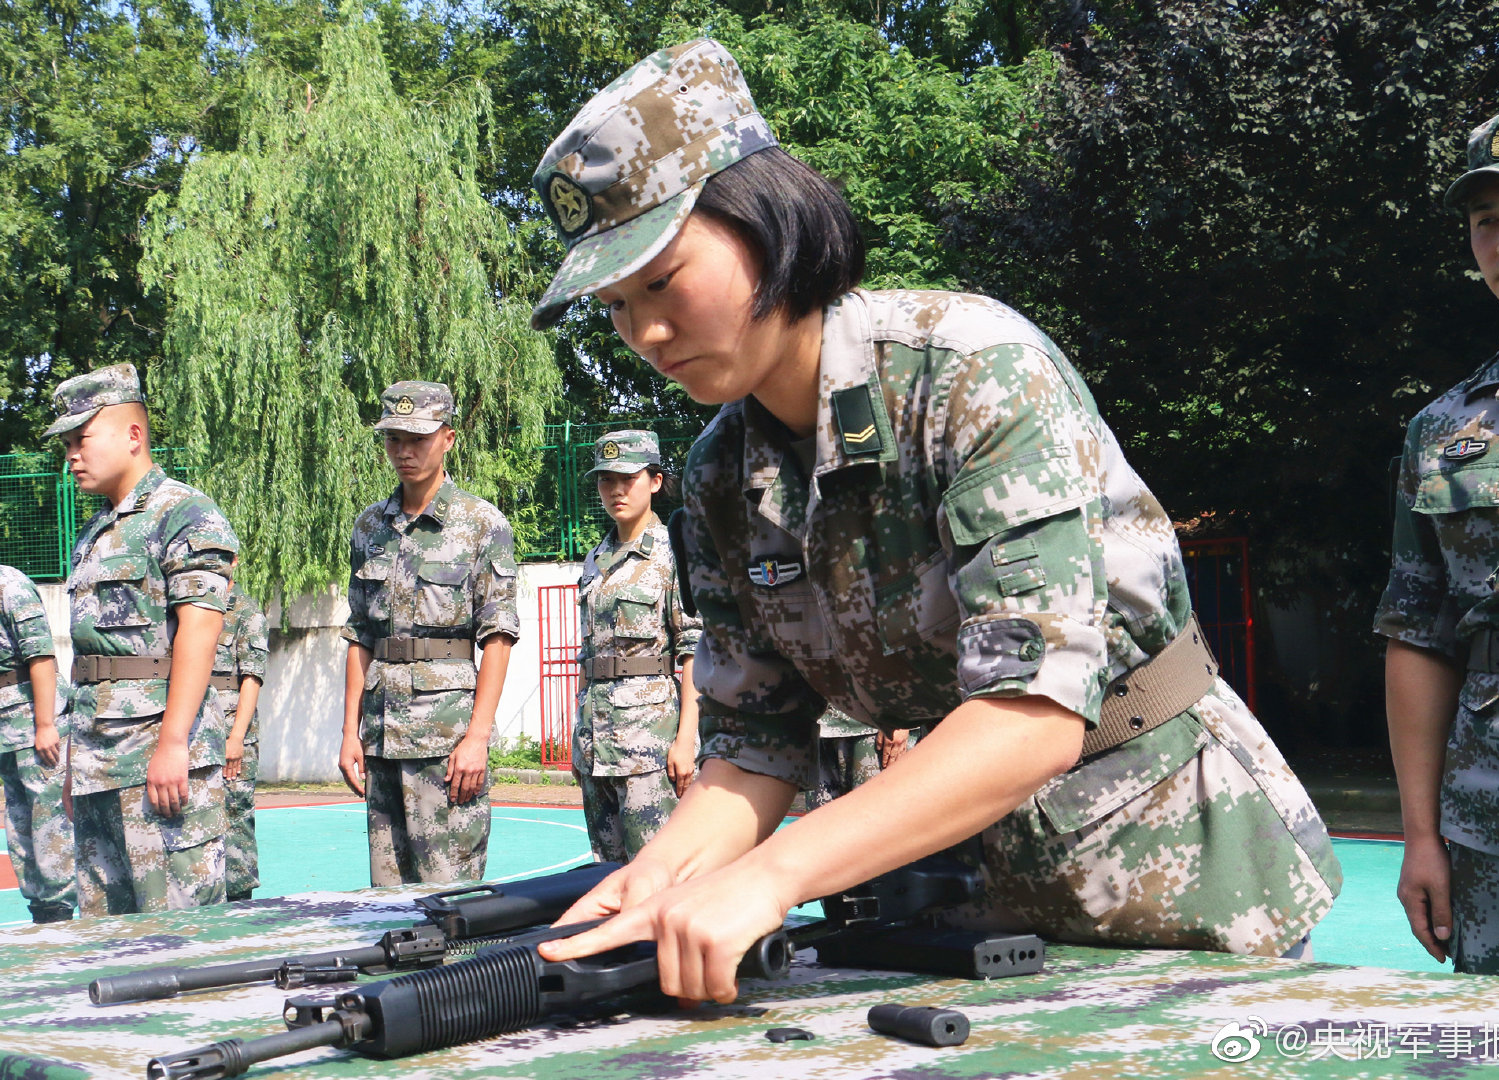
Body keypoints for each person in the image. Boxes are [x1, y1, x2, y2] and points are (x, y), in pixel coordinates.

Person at [528, 39, 1342, 1003]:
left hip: (1176, 874)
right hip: (969, 908)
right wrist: (659, 877)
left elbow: (1030, 717)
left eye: (661, 282)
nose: (645, 334)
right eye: (616, 306)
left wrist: (772, 876)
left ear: (768, 223)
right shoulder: (714, 478)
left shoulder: (968, 370)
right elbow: (754, 746)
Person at [1377, 101, 1499, 979]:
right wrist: (1420, 835)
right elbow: (1418, 634)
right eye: (1486, 220)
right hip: (1495, 826)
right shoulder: (1443, 427)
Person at [50, 362, 237, 915]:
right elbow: (90, 664)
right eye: (66, 444)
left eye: (81, 439)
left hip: (160, 765)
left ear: (133, 434)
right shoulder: (93, 532)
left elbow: (200, 633)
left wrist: (174, 742)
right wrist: (73, 766)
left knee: (179, 940)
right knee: (107, 945)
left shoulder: (185, 514)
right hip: (97, 769)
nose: (71, 456)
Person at [338, 380, 519, 886]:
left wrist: (478, 737)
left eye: (417, 438)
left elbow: (498, 635)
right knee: (388, 902)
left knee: (451, 895)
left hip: (447, 739)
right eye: (394, 439)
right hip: (380, 736)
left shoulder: (482, 524)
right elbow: (360, 635)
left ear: (449, 439)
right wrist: (349, 732)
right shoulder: (369, 526)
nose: (404, 451)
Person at [575, 429, 702, 861]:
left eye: (627, 479)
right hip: (597, 747)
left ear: (656, 481)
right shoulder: (595, 559)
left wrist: (686, 740)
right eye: (606, 480)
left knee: (656, 871)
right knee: (606, 876)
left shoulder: (673, 553)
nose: (616, 490)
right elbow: (588, 657)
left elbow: (694, 651)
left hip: (650, 746)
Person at [0, 564, 75, 923]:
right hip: (5, 733)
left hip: (32, 722)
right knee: (18, 822)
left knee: (51, 819)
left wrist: (45, 725)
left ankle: (61, 909)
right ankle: (42, 909)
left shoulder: (8, 585)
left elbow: (41, 656)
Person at [213, 579, 268, 901]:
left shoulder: (245, 611)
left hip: (231, 734)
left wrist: (236, 737)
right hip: (195, 733)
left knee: (233, 823)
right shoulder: (187, 607)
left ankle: (239, 904)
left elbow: (252, 677)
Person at [806, 709, 911, 812]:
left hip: (877, 728)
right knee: (820, 825)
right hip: (817, 724)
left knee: (879, 820)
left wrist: (901, 717)